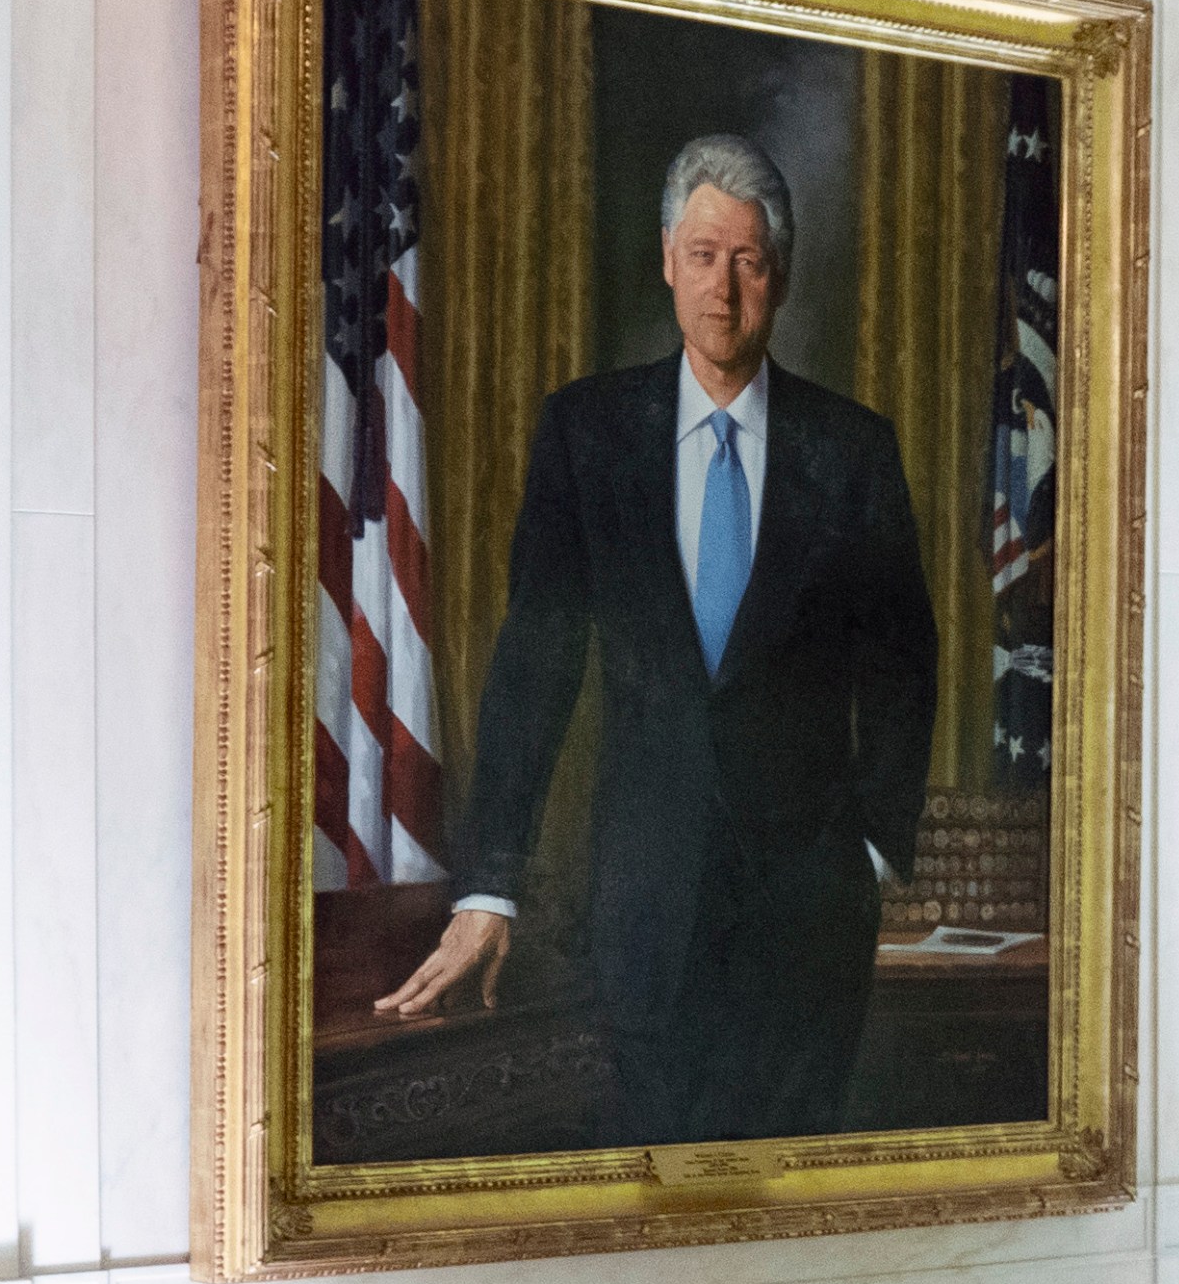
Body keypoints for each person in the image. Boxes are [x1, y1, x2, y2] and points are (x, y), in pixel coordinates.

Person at [376, 131, 934, 1144]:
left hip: (809, 932)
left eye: (749, 260)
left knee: (791, 1213)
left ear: (780, 275)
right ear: (666, 260)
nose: (724, 287)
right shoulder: (587, 435)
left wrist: (867, 854)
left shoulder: (852, 451)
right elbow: (534, 665)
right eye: (704, 254)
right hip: (642, 917)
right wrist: (490, 882)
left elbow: (904, 663)